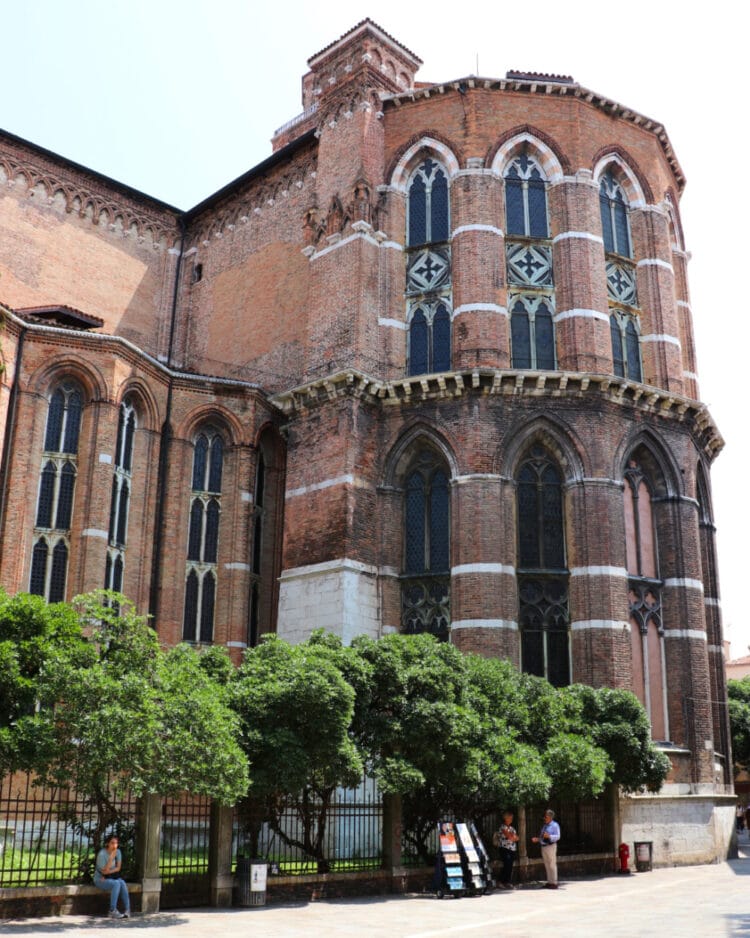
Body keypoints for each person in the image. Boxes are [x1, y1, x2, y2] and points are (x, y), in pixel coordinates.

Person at [94, 834, 131, 919]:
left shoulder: (118, 852)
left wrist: (108, 872)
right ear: (108, 844)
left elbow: (118, 868)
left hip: (110, 877)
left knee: (122, 882)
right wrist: (111, 859)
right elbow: (103, 871)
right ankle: (112, 910)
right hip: (100, 879)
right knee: (116, 883)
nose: (114, 846)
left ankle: (127, 910)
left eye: (116, 843)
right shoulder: (102, 854)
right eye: (112, 843)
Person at [531, 809, 561, 889]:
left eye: (546, 816)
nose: (545, 818)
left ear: (550, 817)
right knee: (547, 864)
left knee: (552, 864)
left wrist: (550, 836)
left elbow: (558, 836)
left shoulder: (555, 825)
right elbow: (542, 837)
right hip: (544, 846)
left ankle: (554, 882)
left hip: (551, 846)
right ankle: (549, 882)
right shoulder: (545, 826)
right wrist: (537, 839)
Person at [495, 811, 519, 888]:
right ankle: (500, 881)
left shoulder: (512, 828)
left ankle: (507, 881)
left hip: (512, 849)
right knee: (507, 864)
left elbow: (517, 838)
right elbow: (510, 837)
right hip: (504, 848)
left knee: (510, 865)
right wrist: (512, 836)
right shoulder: (503, 827)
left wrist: (513, 837)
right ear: (506, 818)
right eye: (510, 818)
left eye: (512, 818)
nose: (511, 819)